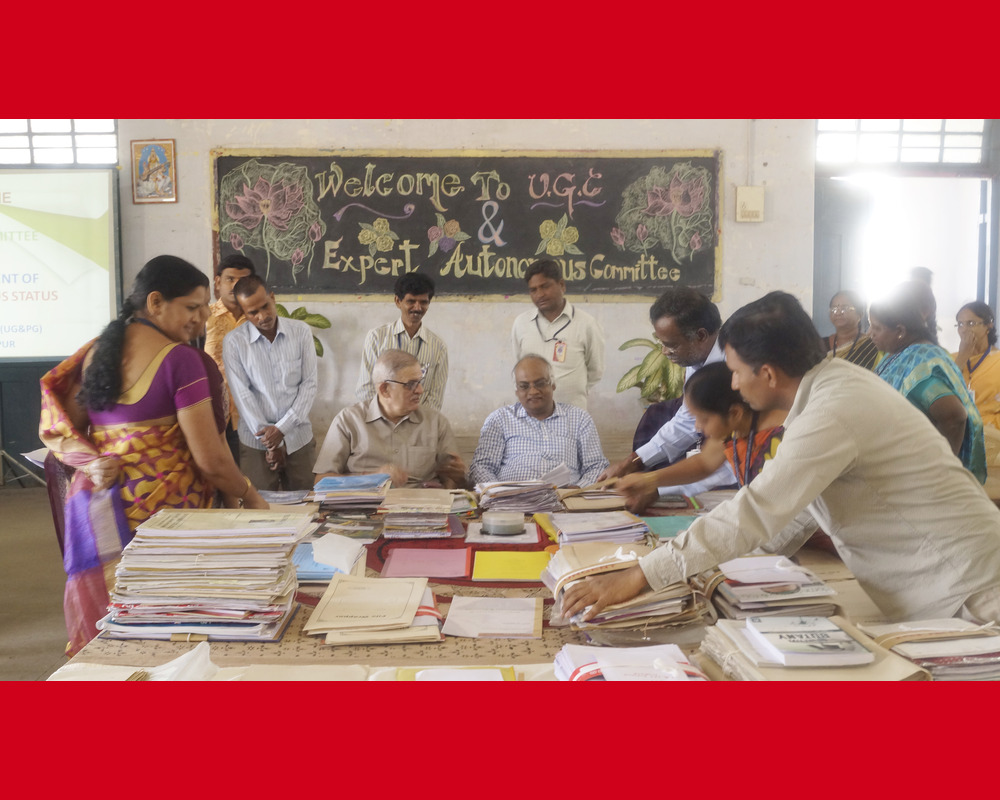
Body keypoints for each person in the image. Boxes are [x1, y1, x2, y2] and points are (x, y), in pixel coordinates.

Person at [561, 291, 1000, 626]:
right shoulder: (827, 392)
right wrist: (690, 571)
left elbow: (756, 511)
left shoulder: (833, 409)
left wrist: (642, 574)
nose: (734, 385)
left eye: (736, 372)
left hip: (969, 594)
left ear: (767, 374)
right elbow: (792, 516)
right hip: (947, 590)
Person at [39, 255, 268, 655]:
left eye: (204, 307)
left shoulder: (95, 353)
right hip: (168, 527)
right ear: (156, 302)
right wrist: (250, 495)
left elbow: (61, 430)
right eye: (192, 307)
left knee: (119, 634)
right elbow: (211, 460)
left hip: (104, 520)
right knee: (172, 633)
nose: (201, 318)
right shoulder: (181, 360)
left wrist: (91, 462)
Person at [599, 287, 735, 496]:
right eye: (661, 343)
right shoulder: (696, 358)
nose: (664, 351)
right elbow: (686, 422)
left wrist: (657, 489)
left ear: (700, 335)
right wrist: (632, 462)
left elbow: (729, 466)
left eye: (671, 345)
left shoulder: (737, 365)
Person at [615, 361, 781, 513]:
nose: (697, 427)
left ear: (735, 413)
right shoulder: (733, 431)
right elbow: (703, 463)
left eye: (704, 419)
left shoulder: (777, 439)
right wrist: (648, 480)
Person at [869, 282, 986, 483]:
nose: (870, 333)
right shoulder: (898, 353)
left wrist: (936, 471)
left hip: (916, 475)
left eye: (876, 328)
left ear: (900, 331)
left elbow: (954, 416)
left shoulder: (921, 362)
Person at [314, 349, 467, 488]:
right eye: (411, 384)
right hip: (365, 505)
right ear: (385, 389)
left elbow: (452, 481)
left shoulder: (436, 422)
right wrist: (373, 478)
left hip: (422, 506)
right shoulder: (349, 421)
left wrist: (459, 478)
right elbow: (321, 482)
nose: (420, 390)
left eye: (420, 382)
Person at [223, 274, 318, 491]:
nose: (263, 316)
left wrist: (282, 430)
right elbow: (242, 395)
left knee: (307, 502)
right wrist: (270, 441)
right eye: (253, 312)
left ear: (272, 297)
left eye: (265, 306)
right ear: (243, 313)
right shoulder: (234, 343)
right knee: (259, 506)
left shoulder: (301, 332)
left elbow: (309, 385)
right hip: (255, 442)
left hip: (298, 437)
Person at [469, 355, 609, 486]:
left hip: (566, 499)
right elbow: (481, 467)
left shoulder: (579, 419)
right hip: (512, 500)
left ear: (553, 384)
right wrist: (497, 493)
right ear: (516, 391)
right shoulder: (499, 419)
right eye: (524, 386)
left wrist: (578, 490)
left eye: (540, 384)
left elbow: (596, 466)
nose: (533, 391)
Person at [511, 259, 605, 410]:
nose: (540, 295)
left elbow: (595, 371)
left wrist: (571, 390)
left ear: (561, 285)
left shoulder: (586, 324)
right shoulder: (521, 324)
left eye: (545, 286)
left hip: (572, 413)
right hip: (531, 415)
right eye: (533, 290)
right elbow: (519, 367)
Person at [356, 272, 449, 410]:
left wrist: (417, 421)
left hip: (419, 421)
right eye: (411, 301)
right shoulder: (377, 338)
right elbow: (366, 388)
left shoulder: (438, 347)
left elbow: (435, 397)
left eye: (423, 302)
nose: (417, 308)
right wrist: (383, 418)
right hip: (381, 420)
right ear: (398, 301)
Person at [204, 253, 255, 463]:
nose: (235, 285)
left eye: (242, 281)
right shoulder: (203, 318)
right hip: (211, 414)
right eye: (230, 279)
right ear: (218, 282)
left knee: (251, 475)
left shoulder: (259, 320)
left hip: (252, 416)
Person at [952, 301, 1000, 430]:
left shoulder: (997, 360)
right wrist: (961, 358)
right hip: (956, 431)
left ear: (988, 326)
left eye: (971, 323)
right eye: (960, 324)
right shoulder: (950, 359)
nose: (964, 330)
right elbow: (940, 394)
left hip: (991, 433)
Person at [821, 290, 880, 370]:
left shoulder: (871, 345)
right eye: (834, 309)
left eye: (845, 308)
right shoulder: (820, 345)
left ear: (860, 314)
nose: (838, 313)